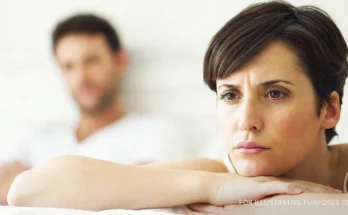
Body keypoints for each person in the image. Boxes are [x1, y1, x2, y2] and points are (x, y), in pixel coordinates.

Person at [6, 1, 348, 214]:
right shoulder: (216, 176)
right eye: (230, 95)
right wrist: (213, 189)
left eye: (274, 94)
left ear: (329, 110)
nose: (246, 122)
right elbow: (27, 190)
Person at [0, 14, 190, 205]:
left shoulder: (154, 132)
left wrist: (31, 187)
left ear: (120, 61)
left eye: (91, 61)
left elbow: (147, 194)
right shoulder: (35, 139)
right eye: (69, 66)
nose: (81, 78)